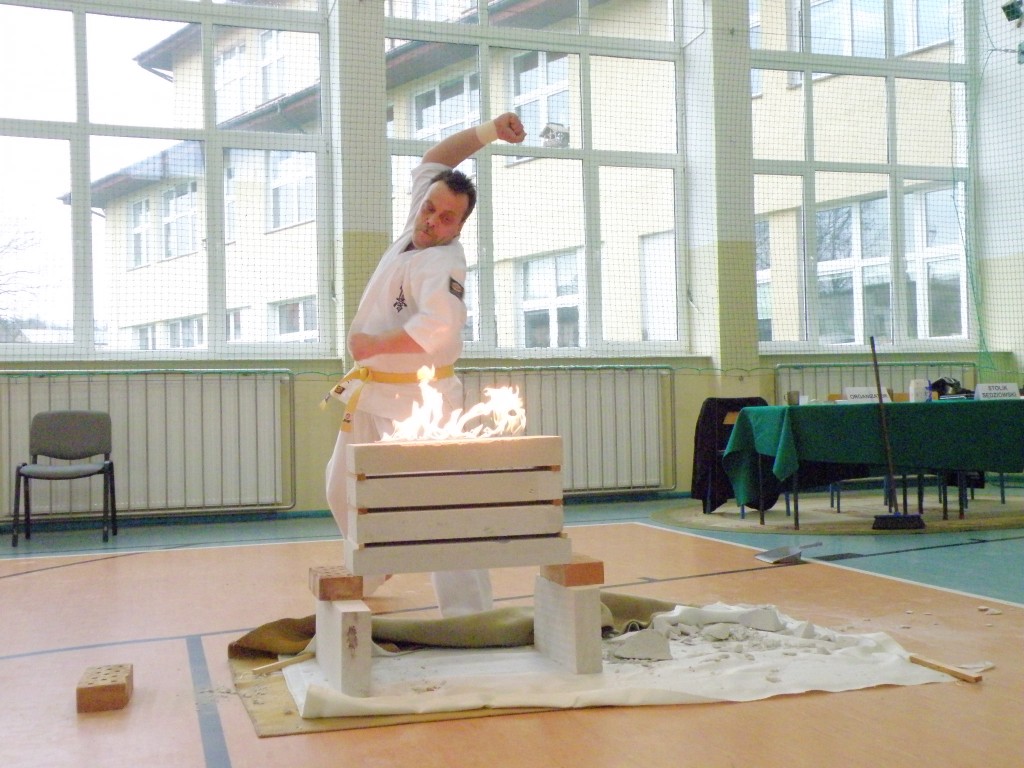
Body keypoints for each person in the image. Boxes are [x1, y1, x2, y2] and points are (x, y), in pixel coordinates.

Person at [325, 112, 527, 617]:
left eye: (447, 218)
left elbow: (438, 328)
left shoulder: (444, 262)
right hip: (372, 392)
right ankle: (376, 563)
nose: (433, 221)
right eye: (430, 209)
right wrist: (489, 132)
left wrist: (374, 344)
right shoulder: (415, 226)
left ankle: (472, 614)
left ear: (459, 227)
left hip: (420, 400)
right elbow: (438, 158)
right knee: (339, 487)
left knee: (441, 507)